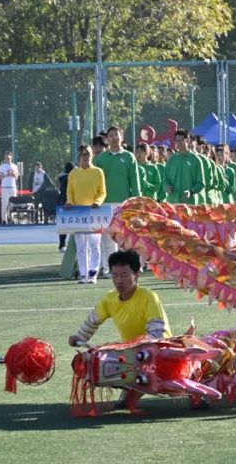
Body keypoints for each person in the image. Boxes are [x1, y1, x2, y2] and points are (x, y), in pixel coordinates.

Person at [68, 248, 170, 411]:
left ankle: (134, 387)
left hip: (159, 352)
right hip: (131, 354)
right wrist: (79, 337)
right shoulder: (109, 299)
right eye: (115, 275)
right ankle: (131, 388)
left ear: (137, 275)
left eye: (124, 275)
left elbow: (157, 332)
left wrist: (138, 346)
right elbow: (92, 322)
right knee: (91, 362)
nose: (119, 281)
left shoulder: (149, 297)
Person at [94, 126, 141, 276]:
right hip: (105, 204)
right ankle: (109, 268)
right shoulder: (100, 159)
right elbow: (95, 182)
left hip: (124, 204)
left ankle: (128, 268)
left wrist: (136, 201)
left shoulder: (129, 157)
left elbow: (134, 181)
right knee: (107, 238)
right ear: (107, 139)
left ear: (122, 137)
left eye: (116, 135)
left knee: (125, 238)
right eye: (111, 135)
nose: (114, 137)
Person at [66, 146, 107, 283]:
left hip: (94, 213)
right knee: (81, 247)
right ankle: (84, 274)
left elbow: (102, 192)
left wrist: (98, 202)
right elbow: (69, 192)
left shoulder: (98, 172)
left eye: (87, 154)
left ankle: (93, 274)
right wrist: (70, 202)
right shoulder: (73, 173)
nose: (85, 157)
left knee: (95, 245)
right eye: (83, 154)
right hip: (78, 214)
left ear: (92, 155)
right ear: (79, 157)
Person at [0, 152, 20, 225]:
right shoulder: (2, 166)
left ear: (11, 157)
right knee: (4, 204)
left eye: (8, 157)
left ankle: (11, 219)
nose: (7, 158)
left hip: (13, 187)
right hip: (5, 187)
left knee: (12, 204)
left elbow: (17, 177)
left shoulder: (14, 166)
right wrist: (7, 175)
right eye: (6, 157)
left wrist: (13, 174)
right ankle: (4, 219)